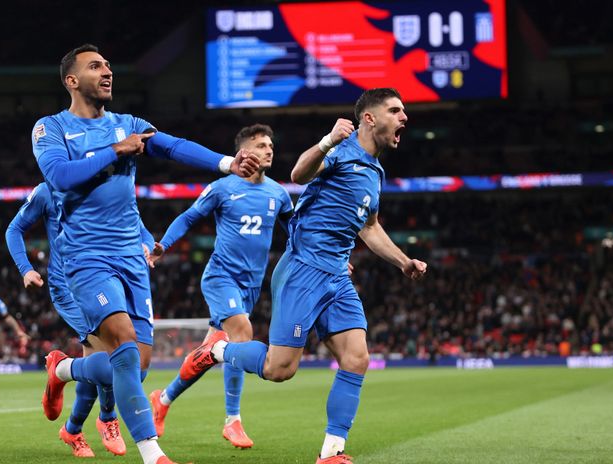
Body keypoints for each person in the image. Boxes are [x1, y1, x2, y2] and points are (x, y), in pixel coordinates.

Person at [32, 44, 259, 464]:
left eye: (108, 66)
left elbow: (173, 147)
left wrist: (228, 162)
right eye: (95, 66)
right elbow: (59, 177)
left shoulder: (128, 123)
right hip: (86, 255)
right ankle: (154, 456)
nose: (107, 72)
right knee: (120, 340)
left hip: (130, 258)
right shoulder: (51, 128)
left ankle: (62, 370)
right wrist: (114, 152)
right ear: (71, 80)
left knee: (133, 367)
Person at [179, 88, 428, 464]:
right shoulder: (340, 152)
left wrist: (403, 260)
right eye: (395, 110)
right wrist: (328, 139)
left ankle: (331, 453)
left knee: (357, 358)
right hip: (303, 269)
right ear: (369, 118)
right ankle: (215, 350)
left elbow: (371, 228)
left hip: (336, 277)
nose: (404, 117)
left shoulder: (375, 172)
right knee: (280, 370)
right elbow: (299, 173)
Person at [146, 124, 293, 449]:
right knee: (242, 333)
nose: (269, 149)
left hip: (251, 287)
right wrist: (162, 246)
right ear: (244, 152)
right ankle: (233, 420)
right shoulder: (222, 188)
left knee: (209, 354)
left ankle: (164, 399)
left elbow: (294, 232)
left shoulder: (278, 194)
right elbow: (187, 217)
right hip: (220, 277)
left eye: (271, 144)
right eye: (260, 145)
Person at [6, 182, 152, 457]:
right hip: (70, 287)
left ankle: (72, 421)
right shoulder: (48, 189)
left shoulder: (109, 183)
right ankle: (106, 419)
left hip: (108, 279)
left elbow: (136, 222)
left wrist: (146, 243)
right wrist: (25, 269)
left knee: (107, 361)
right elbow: (14, 229)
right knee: (116, 355)